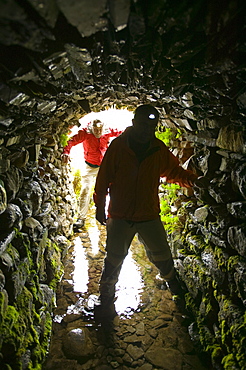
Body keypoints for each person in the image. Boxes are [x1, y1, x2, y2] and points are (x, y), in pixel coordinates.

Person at [93, 104, 205, 319]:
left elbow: (173, 171)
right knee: (114, 258)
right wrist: (100, 207)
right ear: (134, 123)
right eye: (143, 124)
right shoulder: (118, 147)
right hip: (120, 215)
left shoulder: (157, 148)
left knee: (162, 254)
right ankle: (106, 298)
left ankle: (174, 287)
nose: (147, 130)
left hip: (148, 214)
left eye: (151, 126)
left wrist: (194, 181)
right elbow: (103, 178)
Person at [62, 119, 122, 229]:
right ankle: (81, 218)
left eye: (100, 129)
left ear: (103, 128)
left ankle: (113, 216)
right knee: (85, 189)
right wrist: (66, 152)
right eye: (96, 129)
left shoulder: (107, 131)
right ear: (92, 128)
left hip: (104, 166)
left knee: (111, 189)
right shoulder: (85, 133)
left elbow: (121, 133)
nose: (98, 132)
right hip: (89, 166)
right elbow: (71, 141)